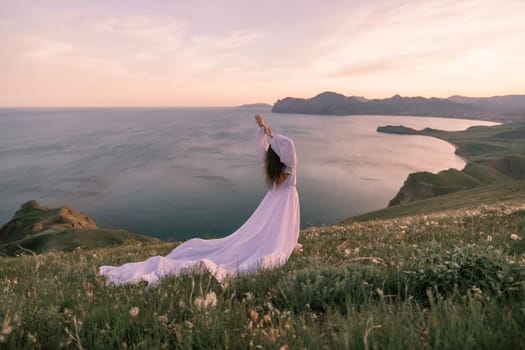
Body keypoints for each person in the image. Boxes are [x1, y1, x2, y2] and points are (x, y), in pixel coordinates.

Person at [98, 115, 300, 286]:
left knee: (262, 229)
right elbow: (288, 147)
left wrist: (263, 132)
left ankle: (284, 242)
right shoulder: (289, 169)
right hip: (283, 203)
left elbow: (263, 150)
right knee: (280, 227)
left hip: (271, 203)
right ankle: (285, 243)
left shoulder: (272, 166)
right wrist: (273, 136)